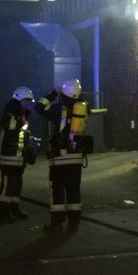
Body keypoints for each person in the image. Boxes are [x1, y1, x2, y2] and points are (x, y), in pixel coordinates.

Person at [35, 78, 89, 233]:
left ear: (63, 94)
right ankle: (74, 222)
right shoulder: (83, 109)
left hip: (60, 158)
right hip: (76, 156)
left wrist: (52, 94)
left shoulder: (58, 109)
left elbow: (39, 107)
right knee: (74, 190)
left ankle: (57, 223)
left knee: (58, 190)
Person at [0, 86, 35, 224]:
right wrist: (21, 124)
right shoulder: (11, 112)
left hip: (18, 156)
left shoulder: (21, 112)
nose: (28, 103)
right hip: (9, 156)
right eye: (26, 100)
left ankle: (14, 209)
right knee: (9, 183)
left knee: (17, 183)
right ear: (19, 98)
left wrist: (28, 138)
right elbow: (9, 126)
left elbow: (20, 131)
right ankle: (3, 213)